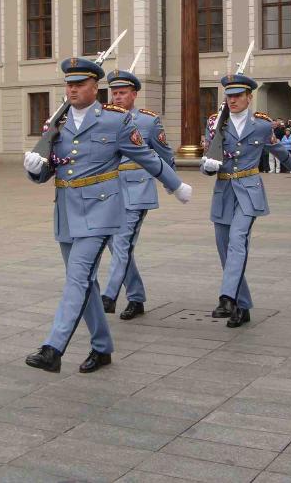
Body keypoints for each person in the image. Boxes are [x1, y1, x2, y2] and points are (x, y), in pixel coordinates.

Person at [23, 57, 192, 374]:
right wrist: (34, 169)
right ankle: (102, 348)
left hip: (100, 209)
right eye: (69, 84)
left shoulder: (114, 121)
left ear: (94, 87)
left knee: (77, 277)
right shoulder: (56, 123)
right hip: (66, 212)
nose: (73, 89)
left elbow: (148, 158)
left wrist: (176, 185)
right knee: (85, 283)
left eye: (80, 84)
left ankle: (53, 348)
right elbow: (50, 169)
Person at [202, 73, 291, 329]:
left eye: (238, 96)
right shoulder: (216, 124)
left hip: (248, 190)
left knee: (238, 241)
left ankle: (226, 297)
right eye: (229, 95)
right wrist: (209, 166)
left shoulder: (261, 125)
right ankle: (242, 304)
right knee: (225, 249)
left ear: (249, 98)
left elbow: (276, 148)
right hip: (223, 190)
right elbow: (207, 161)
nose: (233, 100)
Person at [100, 68, 174, 321]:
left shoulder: (147, 121)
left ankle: (108, 296)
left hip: (137, 188)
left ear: (134, 94)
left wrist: (170, 181)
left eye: (122, 93)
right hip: (109, 190)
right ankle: (136, 297)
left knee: (122, 243)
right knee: (118, 247)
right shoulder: (104, 118)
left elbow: (165, 154)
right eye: (114, 93)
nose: (117, 97)